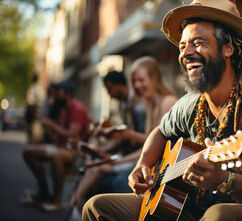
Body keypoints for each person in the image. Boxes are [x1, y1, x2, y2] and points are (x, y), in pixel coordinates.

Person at [82, 0, 242, 221]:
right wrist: (143, 164)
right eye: (182, 46)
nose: (186, 53)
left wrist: (226, 180)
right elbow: (161, 131)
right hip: (195, 206)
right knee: (96, 207)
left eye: (198, 43)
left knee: (218, 216)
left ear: (228, 48)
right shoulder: (192, 103)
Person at [72, 64, 177, 214]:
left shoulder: (167, 102)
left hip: (160, 167)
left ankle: (77, 206)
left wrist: (119, 156)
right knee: (94, 174)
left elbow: (151, 144)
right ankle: (76, 205)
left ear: (155, 78)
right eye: (134, 81)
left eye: (141, 80)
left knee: (103, 176)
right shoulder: (149, 104)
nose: (136, 85)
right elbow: (148, 145)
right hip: (149, 164)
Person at [22, 80, 90, 212]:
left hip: (76, 151)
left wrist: (52, 125)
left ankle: (57, 201)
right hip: (62, 147)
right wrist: (50, 130)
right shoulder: (64, 110)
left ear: (68, 94)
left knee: (57, 155)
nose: (56, 96)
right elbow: (60, 138)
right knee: (28, 152)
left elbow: (72, 135)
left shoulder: (77, 108)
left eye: (59, 93)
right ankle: (43, 192)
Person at [25, 73, 45, 144]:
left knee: (33, 124)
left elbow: (30, 100)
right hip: (33, 109)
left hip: (33, 108)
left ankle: (33, 140)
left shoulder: (35, 87)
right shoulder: (37, 87)